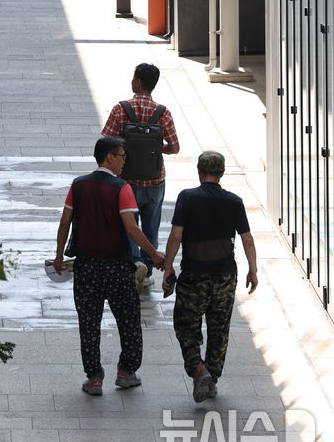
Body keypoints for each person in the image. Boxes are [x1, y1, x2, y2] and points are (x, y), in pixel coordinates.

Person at [53, 136, 165, 396]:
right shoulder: (121, 188)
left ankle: (94, 378)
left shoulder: (78, 185)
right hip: (117, 267)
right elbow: (131, 228)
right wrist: (153, 254)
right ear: (108, 157)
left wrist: (59, 256)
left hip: (86, 267)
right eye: (122, 155)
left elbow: (65, 221)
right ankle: (126, 371)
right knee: (128, 320)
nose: (125, 161)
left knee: (89, 322)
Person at [162, 150, 257, 402]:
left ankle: (198, 368)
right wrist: (253, 270)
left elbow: (175, 236)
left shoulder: (187, 198)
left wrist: (168, 266)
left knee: (186, 325)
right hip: (225, 276)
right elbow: (247, 238)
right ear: (222, 173)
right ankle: (211, 381)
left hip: (194, 275)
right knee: (219, 329)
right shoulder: (234, 201)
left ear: (199, 172)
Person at [101, 62, 179, 290]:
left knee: (129, 224)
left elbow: (106, 141)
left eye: (133, 77)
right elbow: (174, 147)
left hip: (126, 181)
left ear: (138, 81)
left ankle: (135, 263)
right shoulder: (162, 113)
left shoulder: (121, 109)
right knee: (151, 225)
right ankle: (147, 269)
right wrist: (156, 149)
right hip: (155, 179)